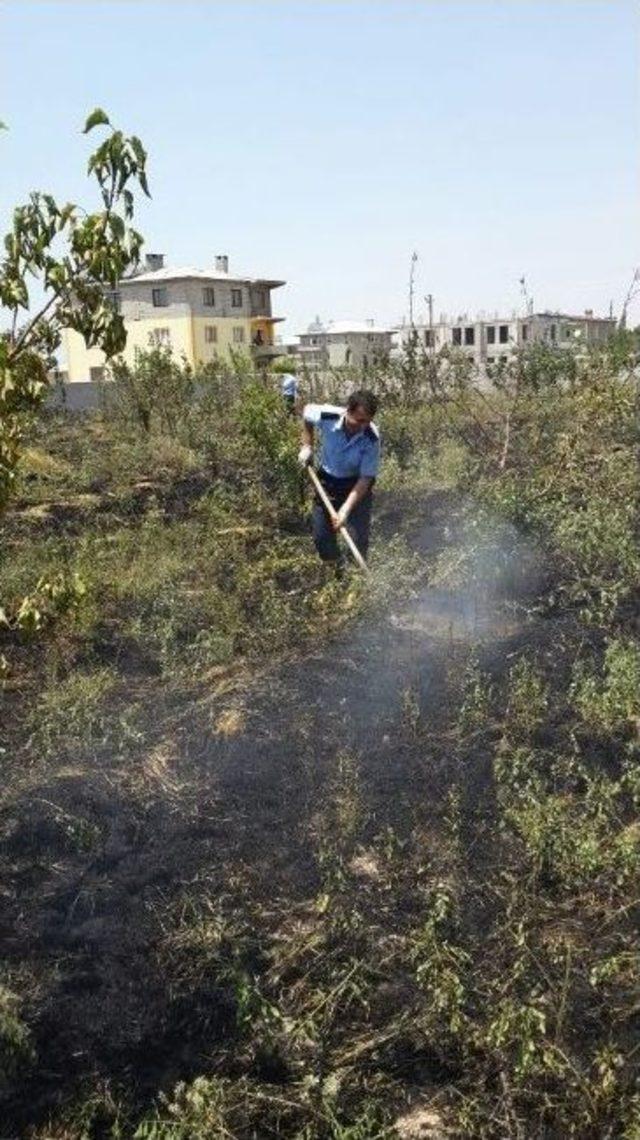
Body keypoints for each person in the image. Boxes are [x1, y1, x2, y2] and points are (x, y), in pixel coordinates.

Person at [298, 389, 380, 566]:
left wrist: (345, 510)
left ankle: (356, 580)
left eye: (367, 422)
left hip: (356, 488)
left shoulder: (371, 437)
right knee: (322, 540)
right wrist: (307, 446)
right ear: (347, 410)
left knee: (358, 543)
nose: (362, 426)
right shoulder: (328, 416)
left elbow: (366, 478)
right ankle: (338, 573)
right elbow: (306, 413)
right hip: (327, 485)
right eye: (358, 420)